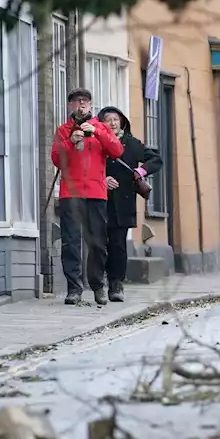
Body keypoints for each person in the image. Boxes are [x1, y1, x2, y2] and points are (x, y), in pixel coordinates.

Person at [51, 88, 124, 305]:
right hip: (70, 193)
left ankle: (98, 286)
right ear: (70, 106)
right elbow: (56, 158)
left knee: (98, 243)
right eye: (76, 102)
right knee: (71, 242)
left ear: (91, 105)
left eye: (84, 102)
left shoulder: (100, 128)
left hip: (96, 193)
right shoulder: (63, 130)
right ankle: (74, 288)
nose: (80, 105)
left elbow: (117, 150)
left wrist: (98, 132)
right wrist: (70, 141)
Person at [97, 106, 163, 303]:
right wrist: (103, 178)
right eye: (108, 120)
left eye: (116, 119)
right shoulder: (96, 143)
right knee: (99, 245)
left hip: (123, 202)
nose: (113, 123)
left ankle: (116, 283)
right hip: (100, 201)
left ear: (122, 121)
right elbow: (86, 168)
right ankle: (99, 282)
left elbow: (156, 159)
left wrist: (141, 171)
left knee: (118, 246)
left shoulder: (132, 143)